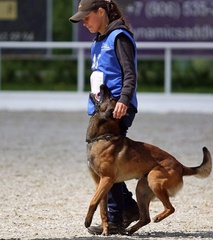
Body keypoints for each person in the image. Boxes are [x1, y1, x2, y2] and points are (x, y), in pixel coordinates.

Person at [69, 0, 139, 235]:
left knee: (105, 164)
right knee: (105, 164)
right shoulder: (98, 40)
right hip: (100, 110)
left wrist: (124, 101)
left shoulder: (118, 37)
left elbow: (130, 74)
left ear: (101, 12)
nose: (84, 23)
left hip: (117, 108)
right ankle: (128, 208)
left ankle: (117, 219)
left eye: (87, 17)